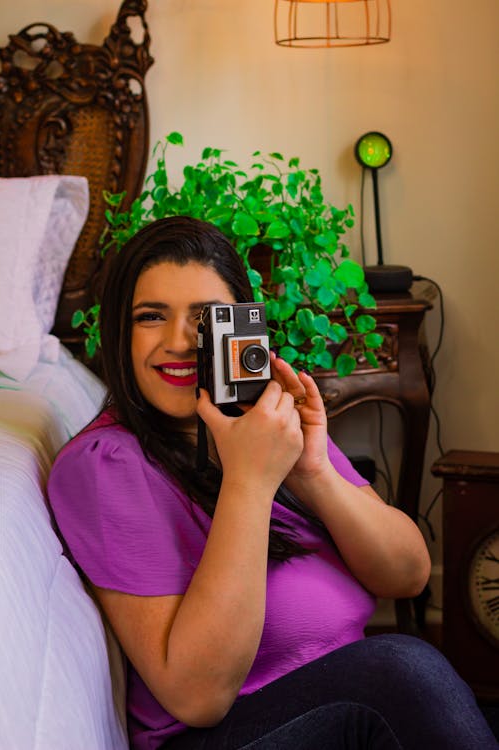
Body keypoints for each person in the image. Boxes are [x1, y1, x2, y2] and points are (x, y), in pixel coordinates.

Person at [48, 216, 498, 750]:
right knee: (403, 670)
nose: (178, 342)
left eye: (204, 318)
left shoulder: (267, 425)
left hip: (339, 715)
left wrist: (311, 471)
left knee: (407, 676)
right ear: (119, 331)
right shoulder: (106, 464)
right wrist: (250, 483)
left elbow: (408, 574)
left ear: (239, 326)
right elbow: (197, 697)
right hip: (220, 736)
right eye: (151, 316)